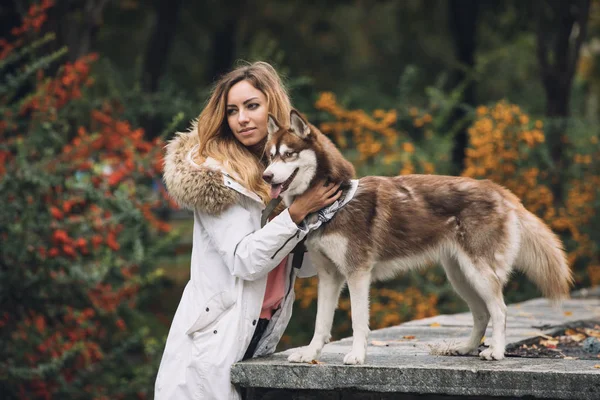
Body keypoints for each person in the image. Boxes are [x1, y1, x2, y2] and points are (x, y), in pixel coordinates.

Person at [155, 61, 341, 399]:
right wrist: (296, 213)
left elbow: (305, 268)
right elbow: (245, 261)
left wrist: (321, 213)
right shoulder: (216, 174)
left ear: (273, 107)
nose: (242, 118)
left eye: (252, 106)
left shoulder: (281, 173)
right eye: (232, 111)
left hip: (261, 330)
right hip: (213, 339)